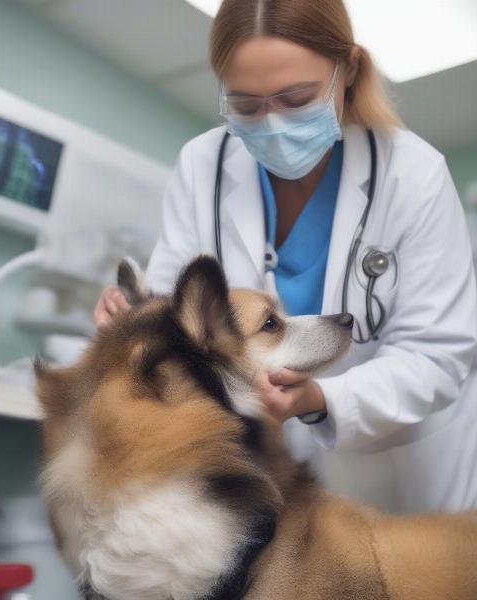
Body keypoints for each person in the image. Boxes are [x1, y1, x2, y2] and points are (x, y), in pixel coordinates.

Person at [94, 0, 477, 513]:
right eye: (246, 105)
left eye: (296, 98)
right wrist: (136, 323)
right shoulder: (203, 165)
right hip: (260, 470)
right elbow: (178, 316)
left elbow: (437, 355)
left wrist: (321, 400)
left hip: (396, 472)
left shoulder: (414, 175)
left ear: (349, 72)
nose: (271, 124)